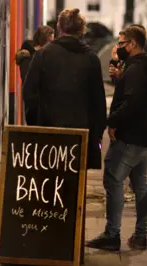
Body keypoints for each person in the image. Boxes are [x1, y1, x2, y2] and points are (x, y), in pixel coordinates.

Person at [86, 25, 147, 251]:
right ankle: (141, 235)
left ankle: (112, 234)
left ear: (132, 44)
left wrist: (111, 122)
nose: (118, 47)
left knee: (113, 179)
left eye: (121, 43)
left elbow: (131, 103)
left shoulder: (136, 69)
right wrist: (119, 76)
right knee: (141, 184)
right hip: (145, 135)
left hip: (129, 135)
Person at [22, 8, 107, 170]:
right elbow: (98, 99)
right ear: (82, 29)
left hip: (49, 130)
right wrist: (98, 132)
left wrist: (35, 123)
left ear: (59, 27)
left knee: (51, 180)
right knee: (77, 181)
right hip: (81, 133)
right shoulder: (91, 58)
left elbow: (29, 93)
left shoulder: (44, 54)